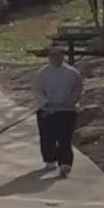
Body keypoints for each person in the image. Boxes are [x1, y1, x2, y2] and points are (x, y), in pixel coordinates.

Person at [32, 46, 84, 178]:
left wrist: (70, 101)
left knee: (64, 138)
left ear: (63, 56)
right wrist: (45, 102)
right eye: (53, 56)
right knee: (47, 137)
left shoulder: (72, 73)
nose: (56, 59)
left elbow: (78, 89)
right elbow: (37, 90)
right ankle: (50, 159)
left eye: (58, 56)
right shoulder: (42, 73)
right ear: (49, 58)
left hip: (67, 110)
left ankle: (65, 163)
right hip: (47, 110)